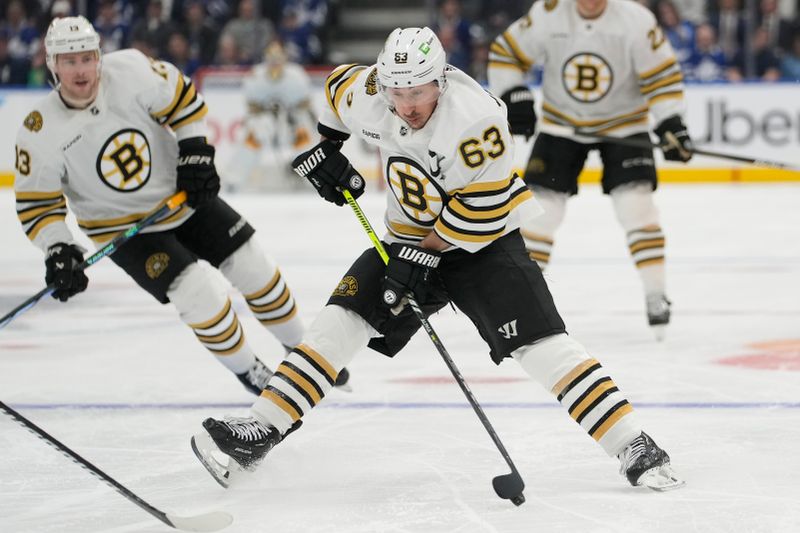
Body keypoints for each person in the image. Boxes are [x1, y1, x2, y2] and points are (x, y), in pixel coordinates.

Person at [190, 27, 684, 493]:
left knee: (541, 346)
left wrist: (418, 259)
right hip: (405, 241)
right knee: (340, 321)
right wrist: (330, 149)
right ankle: (262, 427)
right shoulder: (372, 92)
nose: (405, 106)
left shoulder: (477, 122)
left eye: (418, 92)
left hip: (483, 246)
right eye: (396, 92)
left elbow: (484, 209)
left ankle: (633, 443)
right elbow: (337, 89)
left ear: (442, 79)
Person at [12, 16, 349, 396]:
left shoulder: (132, 70)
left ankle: (302, 350)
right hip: (121, 228)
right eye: (69, 61)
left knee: (255, 267)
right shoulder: (39, 129)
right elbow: (37, 204)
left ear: (99, 57)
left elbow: (183, 101)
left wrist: (194, 152)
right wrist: (58, 248)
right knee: (197, 293)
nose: (81, 69)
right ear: (52, 64)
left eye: (87, 57)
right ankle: (249, 370)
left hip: (181, 196)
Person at [487, 0, 695, 340]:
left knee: (636, 207)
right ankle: (522, 301)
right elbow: (506, 54)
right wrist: (513, 93)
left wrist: (671, 120)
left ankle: (656, 294)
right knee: (539, 212)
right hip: (561, 126)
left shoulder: (636, 20)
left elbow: (662, 77)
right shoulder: (549, 12)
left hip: (624, 126)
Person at [225, 41, 316, 191]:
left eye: (278, 58)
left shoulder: (296, 76)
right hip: (265, 120)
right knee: (253, 139)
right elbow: (251, 107)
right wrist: (267, 111)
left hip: (293, 120)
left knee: (305, 140)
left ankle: (315, 179)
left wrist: (288, 113)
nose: (275, 62)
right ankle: (234, 179)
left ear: (284, 59)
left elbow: (306, 105)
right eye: (271, 58)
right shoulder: (255, 76)